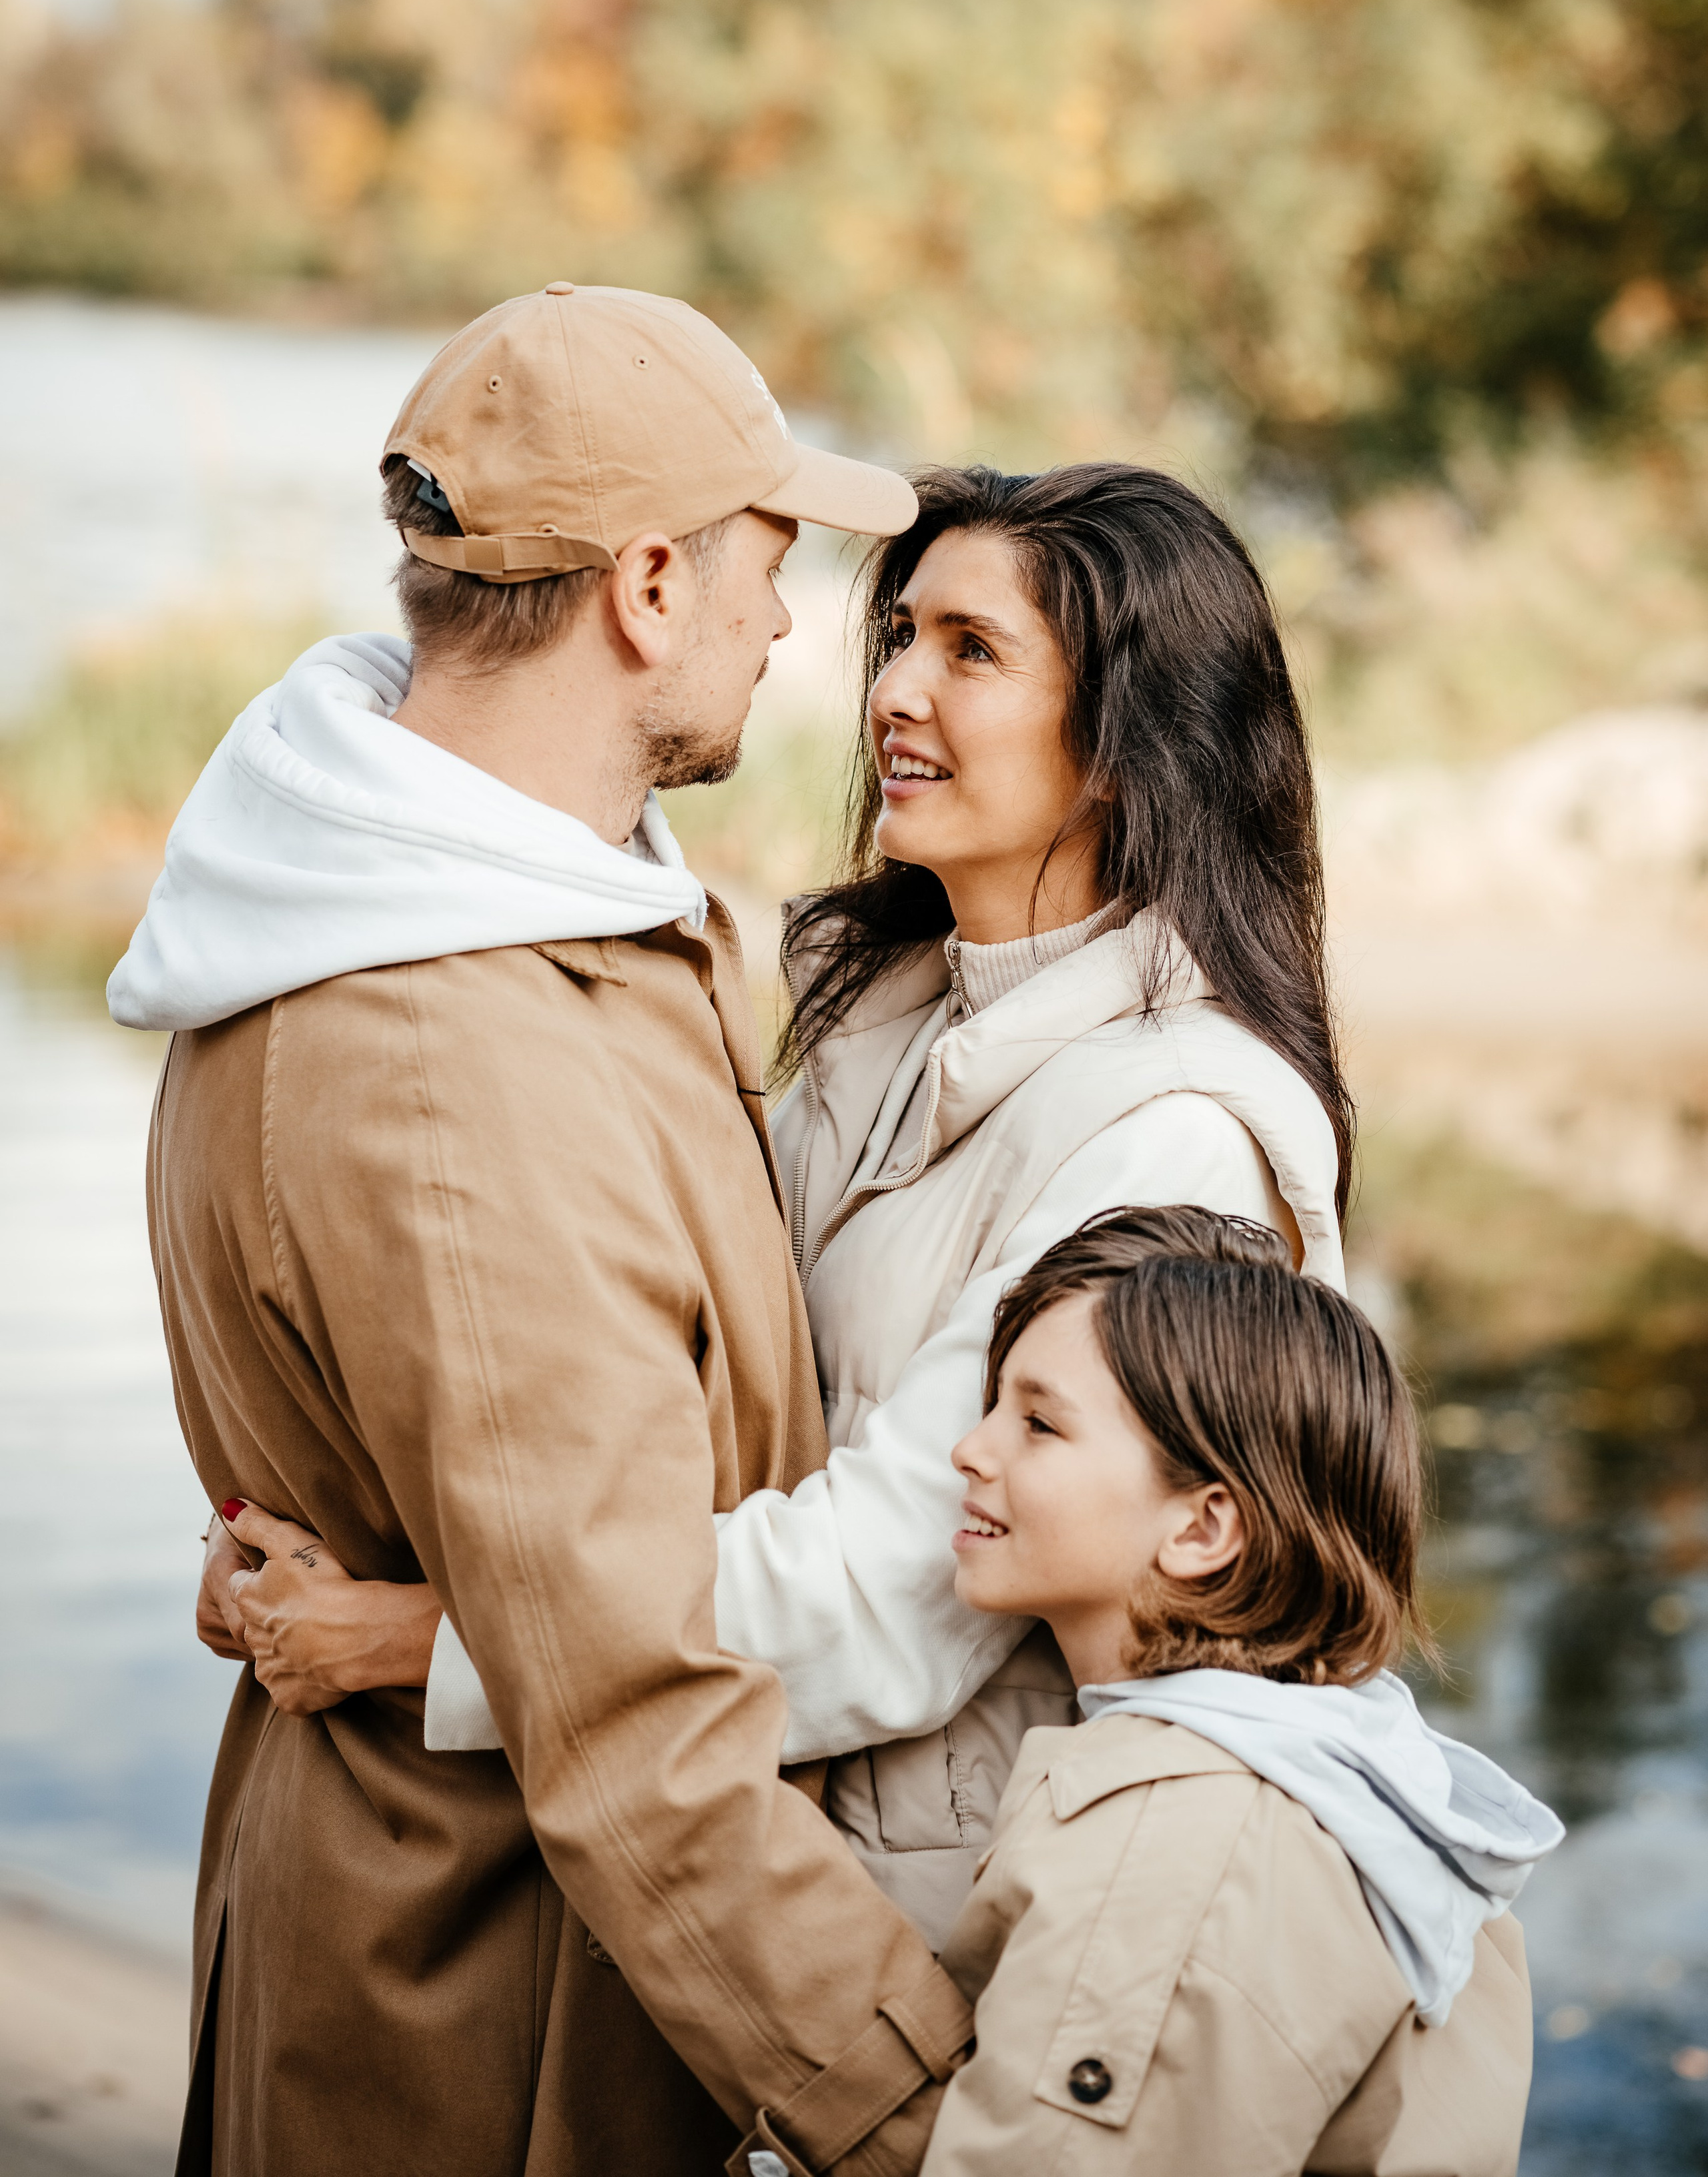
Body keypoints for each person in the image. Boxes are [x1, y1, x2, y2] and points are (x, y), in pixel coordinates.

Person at [206, 460, 1356, 1951]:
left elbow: (895, 1584)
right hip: (765, 1833)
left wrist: (423, 1638)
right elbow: (679, 1386)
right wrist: (327, 1543)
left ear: (1128, 751)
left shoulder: (1172, 1133)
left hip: (959, 1914)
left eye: (973, 652)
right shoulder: (883, 1025)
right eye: (903, 635)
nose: (894, 692)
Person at [113, 283, 981, 2177]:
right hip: (487, 2026)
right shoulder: (453, 1058)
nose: (787, 627)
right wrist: (937, 2119)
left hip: (419, 1936)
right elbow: (631, 1723)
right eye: (770, 568)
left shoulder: (396, 890)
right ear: (650, 586)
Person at [921, 1202, 1561, 2176]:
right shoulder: (1336, 1770)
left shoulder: (1170, 1853)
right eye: (995, 1405)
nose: (971, 1449)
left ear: (1201, 1529)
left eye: (1039, 1423)